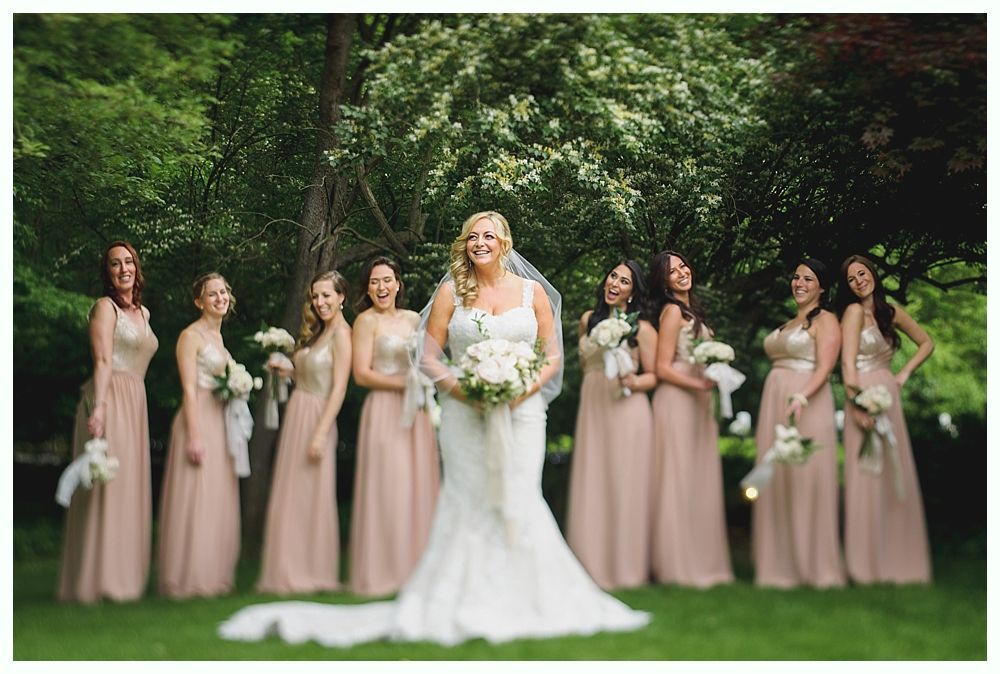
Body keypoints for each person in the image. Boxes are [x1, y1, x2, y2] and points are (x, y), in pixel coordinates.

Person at [219, 210, 649, 646]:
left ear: (504, 242)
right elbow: (427, 359)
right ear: (465, 244)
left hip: (524, 411)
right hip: (463, 412)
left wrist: (520, 390)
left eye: (488, 236)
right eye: (472, 237)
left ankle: (531, 597)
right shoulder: (450, 293)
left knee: (518, 495)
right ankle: (458, 595)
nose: (479, 242)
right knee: (469, 497)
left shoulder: (532, 292)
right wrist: (466, 388)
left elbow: (552, 356)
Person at [58, 241, 159, 602]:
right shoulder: (104, 308)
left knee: (128, 487)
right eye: (115, 264)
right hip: (109, 397)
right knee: (105, 488)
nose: (123, 269)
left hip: (136, 402)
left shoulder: (145, 314)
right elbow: (102, 360)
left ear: (137, 267)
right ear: (108, 273)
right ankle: (94, 580)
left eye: (128, 261)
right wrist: (98, 408)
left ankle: (124, 578)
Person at [837, 254, 933, 584]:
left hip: (887, 394)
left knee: (894, 473)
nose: (858, 281)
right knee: (866, 474)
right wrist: (857, 405)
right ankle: (864, 566)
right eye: (851, 279)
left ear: (873, 275)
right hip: (862, 395)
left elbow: (926, 342)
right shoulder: (851, 313)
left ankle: (899, 561)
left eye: (862, 274)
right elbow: (847, 364)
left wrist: (903, 373)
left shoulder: (889, 312)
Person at [751, 259, 846, 588]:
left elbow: (825, 368)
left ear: (822, 287)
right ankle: (779, 563)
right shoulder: (792, 322)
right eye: (796, 277)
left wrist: (802, 396)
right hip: (775, 400)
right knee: (776, 477)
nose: (800, 283)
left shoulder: (827, 320)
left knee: (806, 478)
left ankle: (812, 563)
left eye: (808, 279)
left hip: (806, 402)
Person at [348, 256, 439, 596]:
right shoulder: (364, 322)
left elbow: (427, 360)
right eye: (374, 282)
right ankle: (384, 568)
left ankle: (417, 568)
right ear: (367, 288)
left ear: (398, 283)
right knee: (389, 485)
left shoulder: (415, 318)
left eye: (387, 280)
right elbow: (361, 373)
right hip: (385, 409)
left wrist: (423, 381)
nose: (381, 287)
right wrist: (406, 384)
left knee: (418, 484)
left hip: (416, 411)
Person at [257, 271, 352, 594]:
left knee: (312, 495)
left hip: (319, 418)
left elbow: (338, 388)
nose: (320, 302)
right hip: (297, 412)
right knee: (291, 493)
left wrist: (320, 433)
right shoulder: (318, 334)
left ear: (342, 298)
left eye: (327, 295)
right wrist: (287, 369)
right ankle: (286, 568)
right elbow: (307, 375)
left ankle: (313, 569)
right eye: (316, 296)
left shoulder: (342, 334)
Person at [566, 260, 656, 590]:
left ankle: (627, 568)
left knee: (625, 484)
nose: (614, 282)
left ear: (633, 293)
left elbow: (654, 375)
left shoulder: (643, 329)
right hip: (593, 406)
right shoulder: (588, 320)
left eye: (625, 280)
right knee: (594, 481)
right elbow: (586, 364)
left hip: (627, 408)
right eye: (613, 276)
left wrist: (633, 379)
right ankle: (590, 565)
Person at [647, 250, 733, 588]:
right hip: (677, 401)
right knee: (678, 480)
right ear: (663, 282)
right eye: (672, 271)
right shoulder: (671, 313)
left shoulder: (692, 311)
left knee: (698, 481)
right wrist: (699, 383)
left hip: (699, 403)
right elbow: (662, 367)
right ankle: (676, 564)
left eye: (683, 265)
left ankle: (702, 558)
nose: (682, 272)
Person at [157, 273, 242, 598]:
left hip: (220, 421)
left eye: (223, 291)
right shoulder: (190, 336)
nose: (220, 297)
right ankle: (186, 577)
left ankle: (212, 573)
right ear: (199, 302)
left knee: (215, 497)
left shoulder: (219, 339)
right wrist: (194, 435)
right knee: (195, 494)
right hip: (198, 419)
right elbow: (189, 390)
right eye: (212, 294)